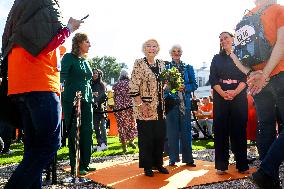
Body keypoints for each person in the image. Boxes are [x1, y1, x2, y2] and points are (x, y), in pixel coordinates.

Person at [1, 0, 83, 188]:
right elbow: (47, 43)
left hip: (18, 84)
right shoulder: (46, 3)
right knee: (49, 145)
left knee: (32, 149)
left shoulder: (18, 6)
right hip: (40, 82)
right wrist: (70, 28)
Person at [230, 0, 284, 188]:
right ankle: (265, 172)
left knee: (266, 127)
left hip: (256, 81)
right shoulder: (278, 9)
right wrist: (266, 73)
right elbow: (281, 44)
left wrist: (251, 74)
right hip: (279, 74)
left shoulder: (244, 19)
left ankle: (271, 182)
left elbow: (234, 53)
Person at [209, 31, 249, 175]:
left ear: (233, 39)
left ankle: (242, 164)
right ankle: (221, 165)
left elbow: (246, 77)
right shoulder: (216, 58)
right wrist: (223, 93)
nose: (223, 40)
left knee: (239, 130)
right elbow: (213, 79)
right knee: (221, 131)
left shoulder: (242, 56)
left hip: (238, 96)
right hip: (221, 97)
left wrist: (235, 92)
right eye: (221, 39)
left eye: (226, 37)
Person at [129, 39, 169, 177]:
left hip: (160, 108)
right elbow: (133, 87)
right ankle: (147, 166)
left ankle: (158, 164)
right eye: (148, 46)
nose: (151, 48)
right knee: (146, 138)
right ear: (144, 49)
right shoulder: (139, 63)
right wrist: (141, 105)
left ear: (158, 48)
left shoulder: (162, 64)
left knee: (159, 136)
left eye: (154, 46)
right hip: (144, 106)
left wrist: (171, 84)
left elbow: (163, 84)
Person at [61, 33, 96, 176]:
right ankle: (76, 165)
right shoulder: (68, 57)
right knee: (76, 132)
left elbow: (87, 79)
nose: (90, 45)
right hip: (73, 100)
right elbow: (61, 77)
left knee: (88, 130)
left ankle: (85, 164)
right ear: (79, 42)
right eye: (87, 42)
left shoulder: (85, 60)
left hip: (87, 99)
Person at [164, 44, 198, 167]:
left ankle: (188, 159)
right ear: (171, 53)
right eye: (174, 51)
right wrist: (173, 88)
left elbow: (194, 85)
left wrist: (185, 87)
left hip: (185, 104)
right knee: (172, 132)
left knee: (186, 132)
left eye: (179, 51)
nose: (176, 53)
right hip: (171, 104)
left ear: (181, 53)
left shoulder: (188, 68)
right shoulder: (166, 68)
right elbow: (164, 89)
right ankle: (173, 158)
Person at [113, 69, 137, 153]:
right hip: (129, 106)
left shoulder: (116, 85)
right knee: (131, 123)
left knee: (121, 125)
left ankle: (124, 146)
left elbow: (114, 96)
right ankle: (131, 141)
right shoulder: (131, 83)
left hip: (119, 108)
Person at [91, 68, 108, 152]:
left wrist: (98, 102)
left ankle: (104, 144)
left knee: (102, 127)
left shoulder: (102, 84)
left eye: (96, 73)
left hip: (101, 109)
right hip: (93, 110)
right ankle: (99, 143)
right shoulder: (89, 84)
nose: (95, 74)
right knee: (96, 127)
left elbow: (104, 97)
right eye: (93, 73)